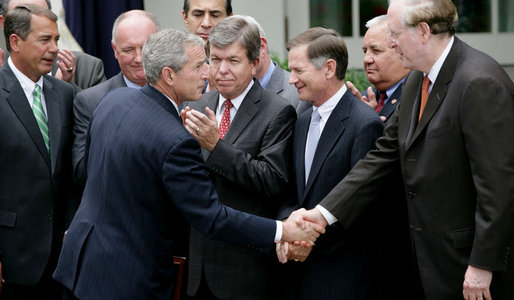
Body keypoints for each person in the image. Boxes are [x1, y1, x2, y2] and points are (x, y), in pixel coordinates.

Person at [53, 27, 320, 300]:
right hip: (126, 275)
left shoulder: (112, 101)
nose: (208, 73)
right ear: (169, 75)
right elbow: (211, 216)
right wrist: (282, 230)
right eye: (200, 65)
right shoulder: (174, 138)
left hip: (80, 263)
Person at [290, 0, 514, 299]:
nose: (391, 43)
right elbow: (382, 157)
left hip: (467, 267)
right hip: (423, 263)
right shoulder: (416, 79)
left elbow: (499, 187)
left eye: (394, 33)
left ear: (423, 31)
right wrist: (322, 214)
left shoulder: (478, 81)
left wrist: (482, 263)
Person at [182, 16, 297, 299]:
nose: (221, 70)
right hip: (197, 267)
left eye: (233, 61)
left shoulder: (277, 111)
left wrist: (216, 146)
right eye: (215, 60)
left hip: (245, 268)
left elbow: (272, 180)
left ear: (254, 63)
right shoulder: (197, 104)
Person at [275, 26, 387, 299]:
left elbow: (364, 206)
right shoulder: (301, 121)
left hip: (341, 275)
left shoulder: (364, 124)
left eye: (299, 70)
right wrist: (288, 230)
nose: (291, 80)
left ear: (328, 68)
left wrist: (306, 239)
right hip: (299, 274)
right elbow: (292, 190)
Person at [0, 4, 75, 299]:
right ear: (15, 42)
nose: (55, 49)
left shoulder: (66, 94)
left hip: (62, 262)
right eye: (45, 40)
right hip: (12, 260)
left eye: (57, 39)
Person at [71, 10, 159, 186]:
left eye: (146, 47)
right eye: (128, 50)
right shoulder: (91, 101)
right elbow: (81, 172)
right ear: (115, 50)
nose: (139, 58)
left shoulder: (182, 95)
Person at [0, 0, 106, 91]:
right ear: (4, 23)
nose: (54, 49)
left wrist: (64, 89)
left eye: (41, 13)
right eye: (22, 15)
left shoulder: (87, 68)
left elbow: (99, 112)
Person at [239, 15, 310, 115]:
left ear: (261, 47)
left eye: (234, 58)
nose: (224, 68)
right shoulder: (225, 92)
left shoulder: (298, 94)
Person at [347, 15, 409, 123]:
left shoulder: (419, 97)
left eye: (376, 51)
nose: (366, 60)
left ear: (401, 50)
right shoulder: (362, 100)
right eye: (365, 51)